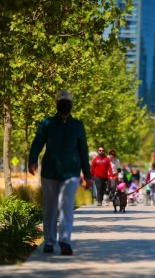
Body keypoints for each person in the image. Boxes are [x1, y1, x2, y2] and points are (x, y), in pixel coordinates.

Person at [28, 90, 92, 256]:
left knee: (66, 205)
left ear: (71, 105)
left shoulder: (78, 125)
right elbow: (37, 143)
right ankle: (49, 241)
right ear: (56, 104)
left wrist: (88, 174)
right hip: (50, 171)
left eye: (67, 102)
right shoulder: (47, 123)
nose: (64, 104)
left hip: (71, 172)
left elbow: (83, 151)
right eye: (62, 101)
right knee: (50, 207)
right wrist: (32, 159)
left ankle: (65, 241)